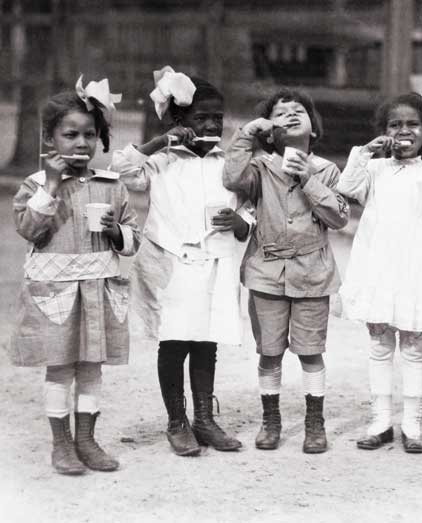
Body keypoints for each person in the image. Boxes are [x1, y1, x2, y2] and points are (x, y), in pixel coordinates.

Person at [111, 66, 253, 457]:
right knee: (174, 342)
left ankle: (205, 419)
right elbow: (122, 168)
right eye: (201, 118)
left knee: (206, 341)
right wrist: (161, 142)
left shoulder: (228, 163)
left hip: (214, 261)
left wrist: (242, 222)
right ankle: (177, 420)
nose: (211, 125)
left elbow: (251, 201)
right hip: (172, 261)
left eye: (218, 119)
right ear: (179, 122)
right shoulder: (161, 161)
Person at [10, 77, 140, 474]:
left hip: (98, 291)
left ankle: (86, 438)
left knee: (91, 367)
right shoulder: (35, 185)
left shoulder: (112, 188)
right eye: (70, 134)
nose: (81, 143)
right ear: (50, 138)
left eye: (90, 134)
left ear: (100, 139)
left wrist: (118, 233)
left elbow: (133, 239)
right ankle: (61, 443)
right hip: (57, 295)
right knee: (60, 367)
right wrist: (50, 185)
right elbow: (30, 229)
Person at [223, 88, 349, 453]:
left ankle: (314, 422)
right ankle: (271, 419)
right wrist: (247, 133)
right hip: (266, 271)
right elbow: (231, 179)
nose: (291, 115)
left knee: (311, 351)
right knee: (270, 351)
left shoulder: (326, 169)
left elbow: (339, 217)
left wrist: (309, 179)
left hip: (313, 272)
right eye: (280, 113)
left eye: (300, 111)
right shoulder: (259, 168)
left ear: (314, 129)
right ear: (268, 130)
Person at [337, 92, 422, 453]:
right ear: (384, 131)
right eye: (395, 124)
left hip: (416, 267)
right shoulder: (373, 168)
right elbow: (347, 189)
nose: (403, 131)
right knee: (378, 343)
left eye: (412, 124)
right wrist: (364, 152)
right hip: (378, 265)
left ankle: (412, 424)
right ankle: (380, 421)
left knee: (414, 346)